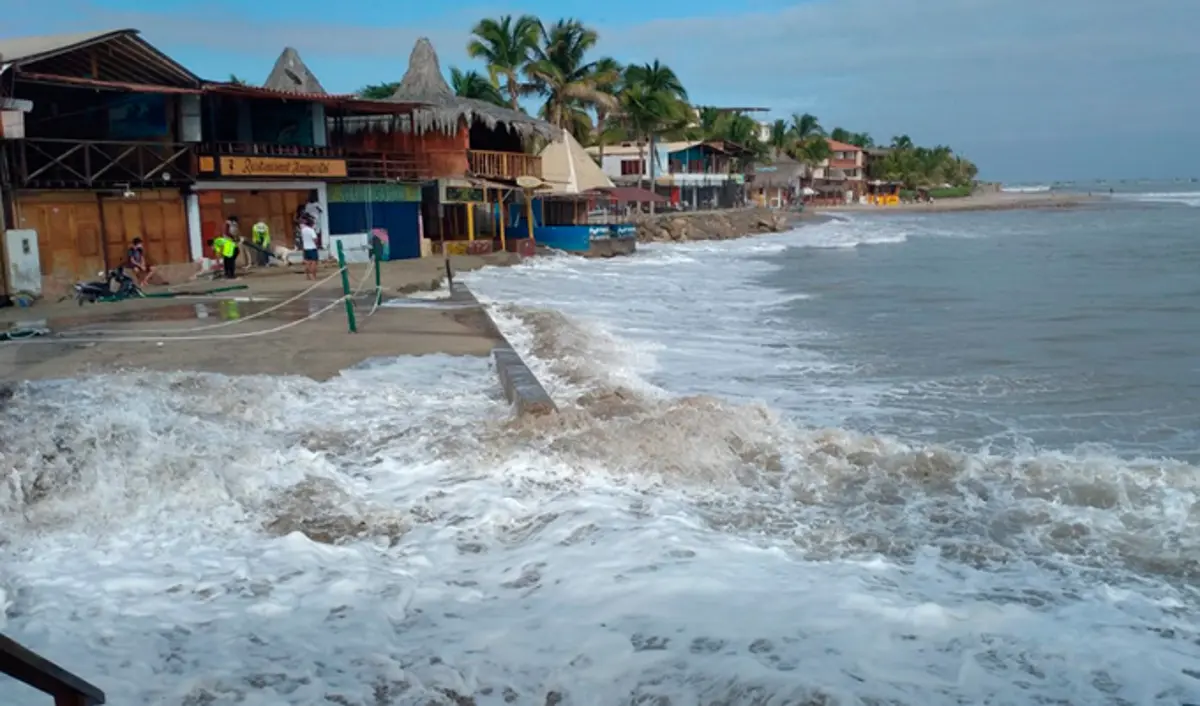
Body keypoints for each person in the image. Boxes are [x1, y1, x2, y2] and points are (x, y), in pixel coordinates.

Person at [299, 214, 319, 280]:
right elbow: (315, 239)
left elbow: (302, 239)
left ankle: (307, 276)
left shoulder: (303, 230)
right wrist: (317, 245)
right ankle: (313, 276)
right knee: (313, 263)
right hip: (312, 248)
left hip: (306, 248)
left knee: (307, 263)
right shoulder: (311, 230)